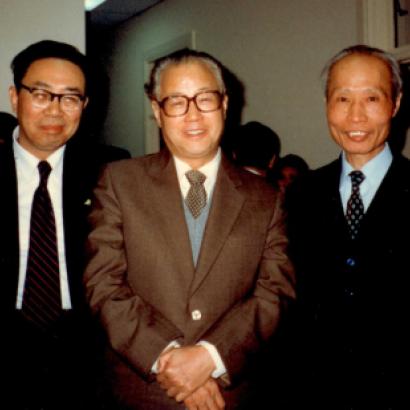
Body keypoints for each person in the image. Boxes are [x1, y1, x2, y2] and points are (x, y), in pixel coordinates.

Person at [84, 48, 295, 409]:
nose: (193, 114)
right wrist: (170, 359)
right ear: (156, 111)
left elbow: (275, 289)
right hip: (141, 393)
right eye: (176, 101)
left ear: (225, 104)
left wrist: (211, 357)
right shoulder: (120, 181)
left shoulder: (265, 196)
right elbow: (103, 283)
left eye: (205, 98)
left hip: (230, 395)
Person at [0, 40, 129, 410]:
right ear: (15, 97)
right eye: (41, 94)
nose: (55, 110)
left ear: (84, 107)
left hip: (83, 348)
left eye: (70, 98)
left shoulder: (110, 171)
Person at [287, 44, 410, 408]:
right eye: (342, 99)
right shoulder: (299, 194)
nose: (356, 116)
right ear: (326, 104)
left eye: (372, 98)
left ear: (396, 103)